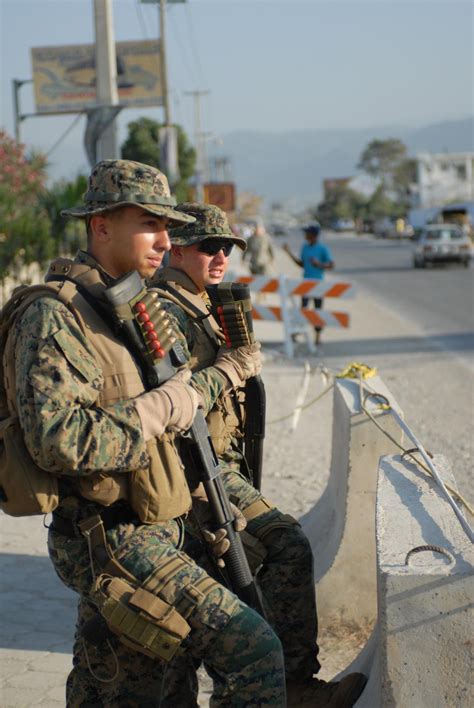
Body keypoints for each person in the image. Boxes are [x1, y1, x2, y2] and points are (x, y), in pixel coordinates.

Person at [6, 160, 289, 706]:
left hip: (159, 516)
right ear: (101, 226)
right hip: (109, 534)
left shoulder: (130, 306)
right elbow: (57, 440)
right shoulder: (55, 317)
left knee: (138, 683)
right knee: (252, 648)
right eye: (148, 224)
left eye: (166, 225)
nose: (165, 239)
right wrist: (160, 409)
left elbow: (181, 408)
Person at [150, 202, 366, 707]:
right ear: (176, 248)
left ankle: (287, 685)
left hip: (218, 462)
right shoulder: (162, 311)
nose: (221, 256)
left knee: (270, 560)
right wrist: (229, 367)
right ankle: (290, 687)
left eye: (227, 247)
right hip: (191, 472)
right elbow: (170, 405)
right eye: (209, 246)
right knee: (279, 553)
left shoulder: (199, 302)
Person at [283, 222, 334, 346]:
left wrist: (320, 265)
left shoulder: (322, 248)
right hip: (305, 283)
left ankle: (318, 336)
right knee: (303, 309)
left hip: (318, 284)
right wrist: (288, 253)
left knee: (317, 310)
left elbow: (331, 264)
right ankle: (297, 332)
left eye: (307, 233)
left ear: (313, 235)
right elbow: (301, 264)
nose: (305, 235)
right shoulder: (305, 247)